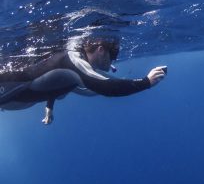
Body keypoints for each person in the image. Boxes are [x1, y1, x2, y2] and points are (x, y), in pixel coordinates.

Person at [0, 36, 166, 124]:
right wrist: (146, 82)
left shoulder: (77, 65)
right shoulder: (75, 62)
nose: (113, 62)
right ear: (101, 50)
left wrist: (49, 107)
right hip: (8, 90)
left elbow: (53, 81)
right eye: (112, 55)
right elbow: (107, 88)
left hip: (18, 97)